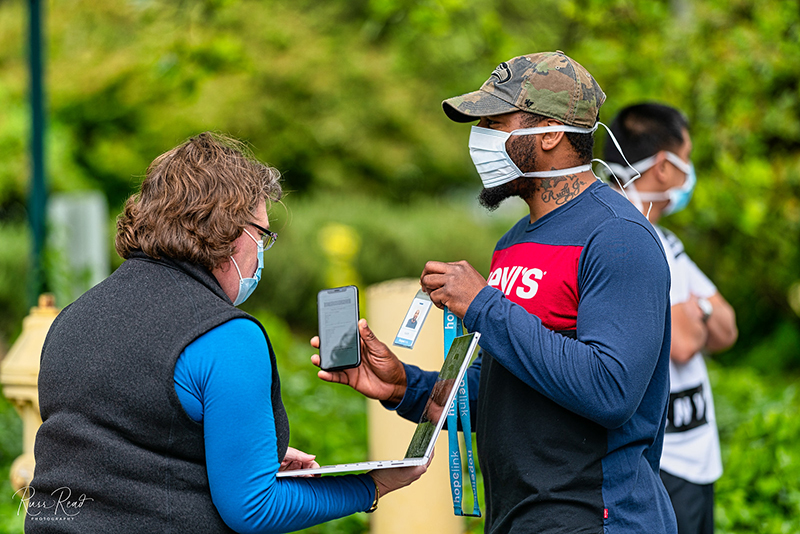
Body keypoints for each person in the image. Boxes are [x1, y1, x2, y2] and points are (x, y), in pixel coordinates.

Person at [312, 52, 677, 533]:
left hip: (598, 519)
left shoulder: (618, 237)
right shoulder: (514, 242)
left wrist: (484, 305)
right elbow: (502, 394)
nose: (478, 138)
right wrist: (403, 385)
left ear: (549, 133)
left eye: (493, 121)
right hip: (518, 517)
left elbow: (610, 390)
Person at [27, 132, 427, 533]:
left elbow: (121, 443)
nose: (262, 250)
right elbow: (254, 507)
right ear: (230, 229)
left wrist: (239, 450)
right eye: (262, 234)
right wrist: (370, 487)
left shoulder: (73, 318)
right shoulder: (226, 336)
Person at [603, 103, 738, 534]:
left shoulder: (669, 242)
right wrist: (700, 308)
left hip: (696, 458)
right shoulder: (623, 233)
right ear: (663, 165)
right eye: (688, 156)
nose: (689, 172)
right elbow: (683, 344)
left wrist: (694, 310)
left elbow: (727, 328)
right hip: (658, 465)